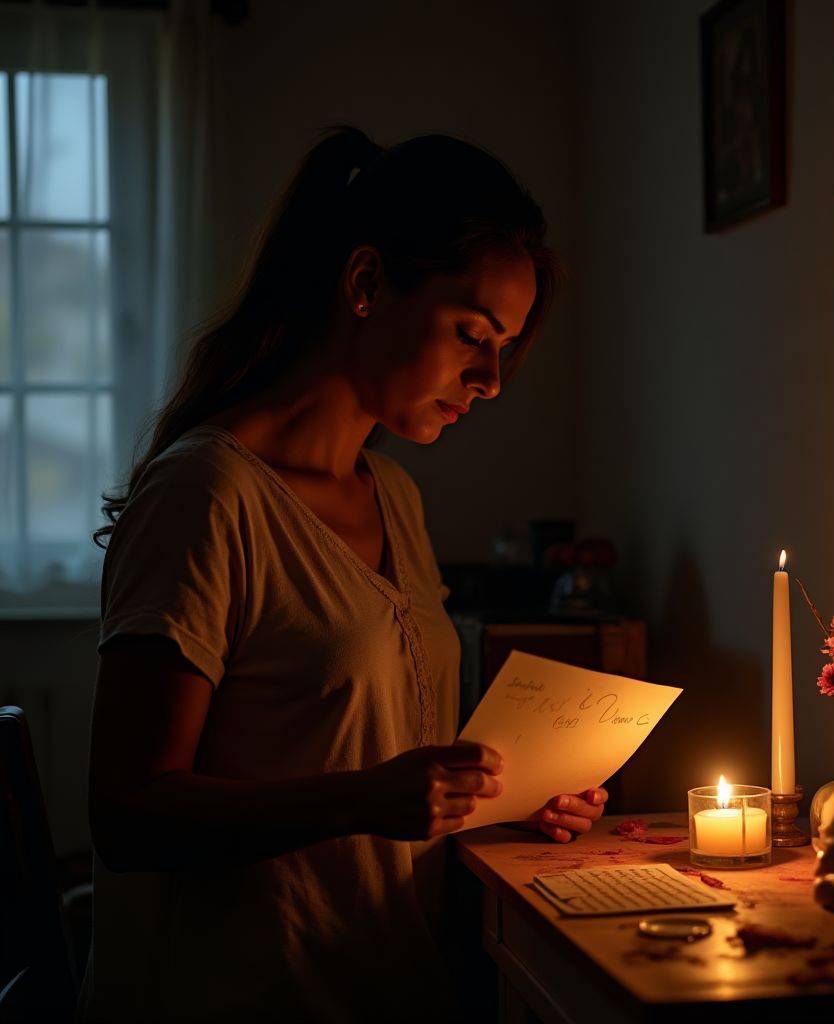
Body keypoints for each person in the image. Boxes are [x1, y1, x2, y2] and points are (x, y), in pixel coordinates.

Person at [80, 126, 607, 1024]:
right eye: (472, 334)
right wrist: (367, 798)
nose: (491, 379)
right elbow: (131, 813)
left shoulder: (393, 494)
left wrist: (500, 803)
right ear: (365, 285)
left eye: (503, 347)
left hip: (389, 982)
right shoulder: (207, 494)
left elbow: (368, 757)